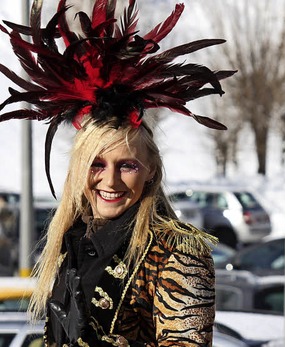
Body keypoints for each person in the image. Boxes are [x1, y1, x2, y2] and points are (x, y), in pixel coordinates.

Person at [0, 0, 235, 346]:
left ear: (150, 171)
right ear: (79, 169)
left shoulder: (178, 251)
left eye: (127, 165)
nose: (109, 181)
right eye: (97, 164)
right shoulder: (71, 242)